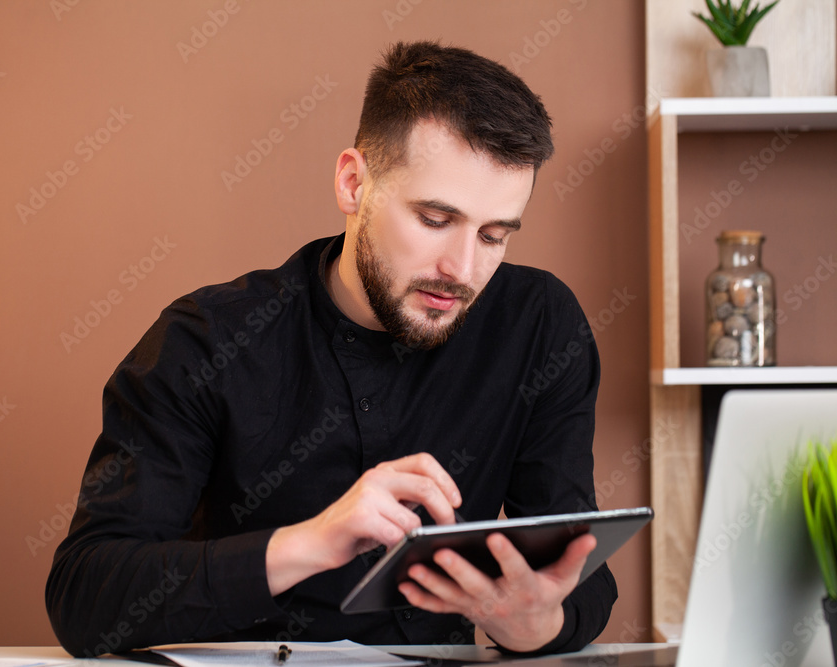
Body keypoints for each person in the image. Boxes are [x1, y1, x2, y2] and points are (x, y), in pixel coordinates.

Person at [46, 40, 616, 658]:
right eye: (434, 220)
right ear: (353, 184)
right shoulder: (206, 340)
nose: (461, 269)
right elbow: (84, 597)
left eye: (494, 235)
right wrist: (311, 543)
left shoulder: (538, 324)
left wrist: (531, 624)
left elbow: (576, 568)